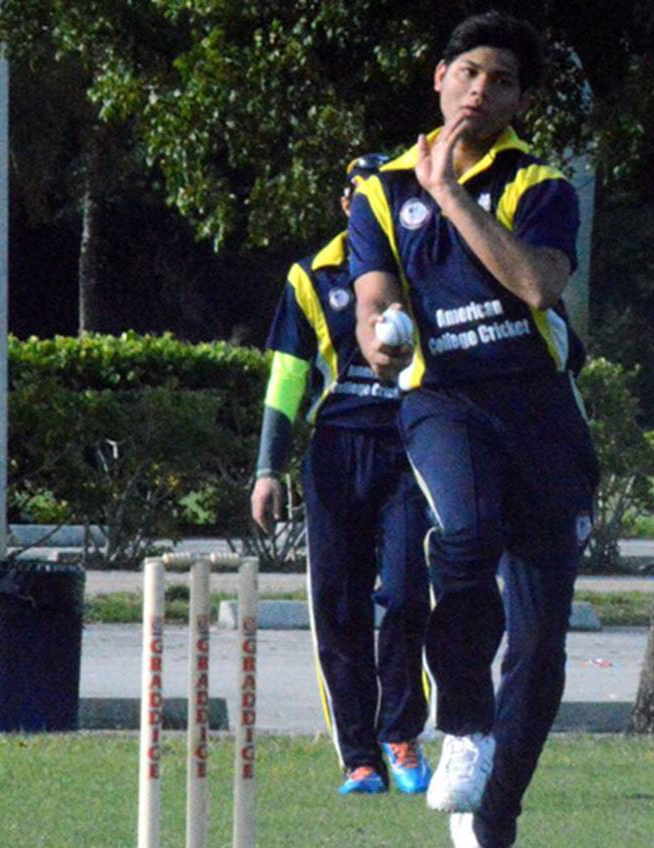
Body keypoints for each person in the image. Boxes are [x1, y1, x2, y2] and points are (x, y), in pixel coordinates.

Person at [347, 12, 598, 848]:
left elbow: (534, 283)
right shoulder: (381, 189)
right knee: (465, 529)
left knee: (538, 649)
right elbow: (373, 301)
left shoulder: (540, 187)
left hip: (536, 410)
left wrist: (450, 191)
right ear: (439, 76)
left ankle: (494, 817)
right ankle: (461, 720)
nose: (480, 90)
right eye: (469, 73)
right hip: (443, 401)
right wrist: (382, 344)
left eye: (501, 80)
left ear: (521, 100)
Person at [250, 154, 433, 796]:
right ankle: (360, 757)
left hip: (411, 446)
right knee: (338, 605)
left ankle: (402, 733)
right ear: (346, 206)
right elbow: (288, 378)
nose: (367, 210)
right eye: (359, 200)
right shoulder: (312, 275)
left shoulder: (422, 265)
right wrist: (267, 468)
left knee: (409, 594)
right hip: (336, 452)